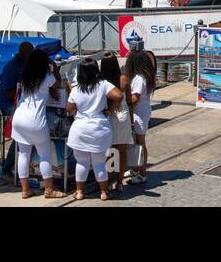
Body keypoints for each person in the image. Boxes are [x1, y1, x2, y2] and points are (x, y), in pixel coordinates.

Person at [10, 48, 68, 199]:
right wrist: (54, 66)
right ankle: (49, 189)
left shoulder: (25, 76)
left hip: (19, 118)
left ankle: (25, 190)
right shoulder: (47, 77)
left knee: (23, 154)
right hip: (35, 120)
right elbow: (59, 83)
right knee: (45, 155)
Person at [66, 57, 122, 201]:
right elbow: (118, 95)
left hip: (80, 129)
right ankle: (103, 192)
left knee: (81, 162)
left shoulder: (76, 89)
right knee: (99, 162)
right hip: (99, 128)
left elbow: (69, 110)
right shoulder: (102, 84)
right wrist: (110, 109)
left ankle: (79, 192)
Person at [99, 53, 134, 193]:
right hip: (123, 114)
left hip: (108, 114)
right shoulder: (124, 79)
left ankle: (108, 182)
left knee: (109, 150)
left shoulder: (101, 81)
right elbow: (130, 101)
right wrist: (132, 121)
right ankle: (120, 182)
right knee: (122, 150)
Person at [0, 41, 34, 184]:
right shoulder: (11, 67)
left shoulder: (28, 65)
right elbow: (8, 93)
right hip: (10, 105)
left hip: (24, 103)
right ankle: (7, 169)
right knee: (21, 135)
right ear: (23, 54)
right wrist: (26, 88)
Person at [124, 49, 155, 185]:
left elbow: (134, 98)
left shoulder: (138, 78)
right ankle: (136, 169)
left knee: (140, 143)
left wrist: (122, 96)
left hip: (139, 114)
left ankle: (140, 173)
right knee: (137, 143)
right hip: (142, 112)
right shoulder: (144, 76)